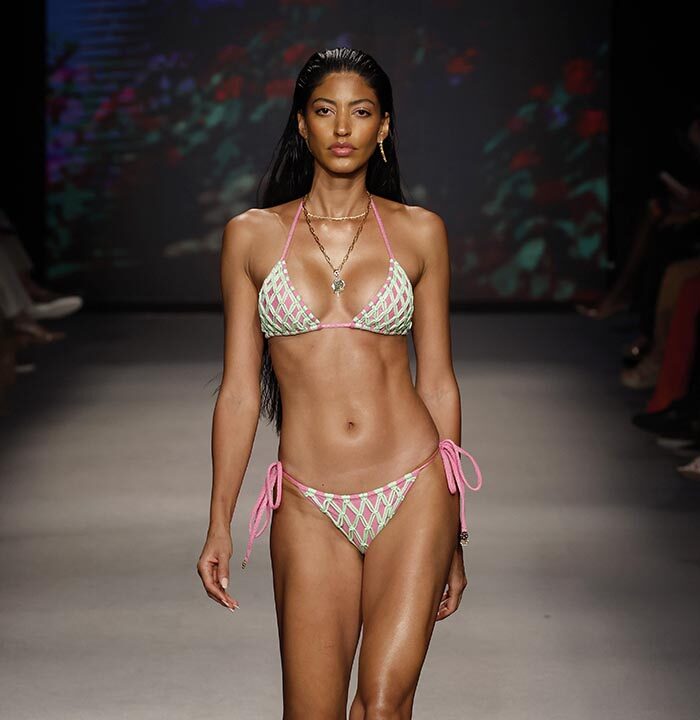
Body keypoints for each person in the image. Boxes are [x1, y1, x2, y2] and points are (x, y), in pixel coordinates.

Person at [196, 47, 483, 718]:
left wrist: (455, 535)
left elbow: (438, 383)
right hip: (308, 502)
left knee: (382, 706)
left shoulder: (420, 232)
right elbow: (239, 390)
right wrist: (218, 522)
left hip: (413, 488)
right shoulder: (251, 236)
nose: (344, 127)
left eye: (362, 112)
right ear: (303, 125)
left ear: (384, 127)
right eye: (326, 111)